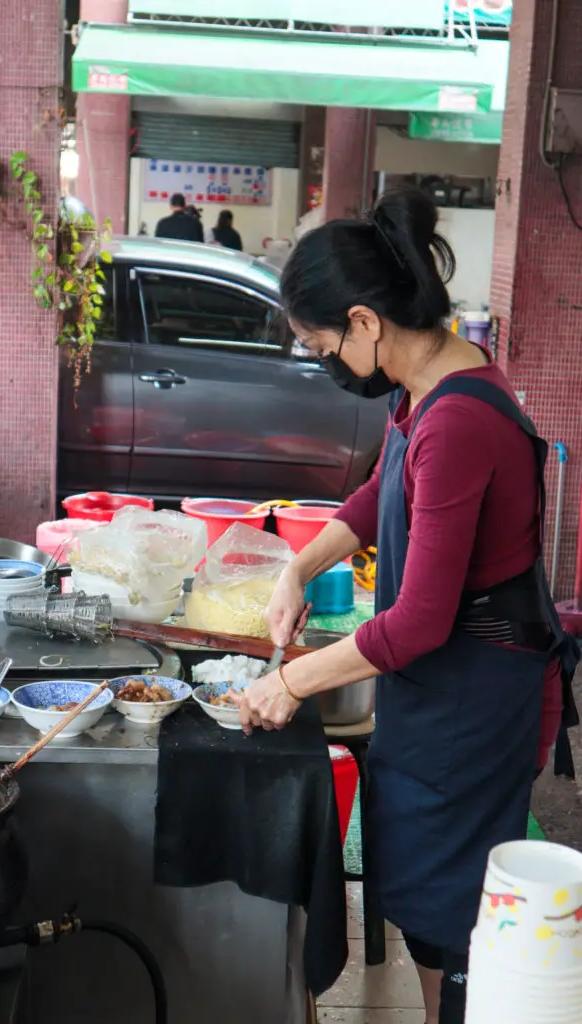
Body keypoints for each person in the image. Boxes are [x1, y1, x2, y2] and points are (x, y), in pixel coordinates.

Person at [236, 187, 579, 1024]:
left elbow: (421, 619)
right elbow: (375, 498)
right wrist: (294, 568)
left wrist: (293, 681)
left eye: (321, 344)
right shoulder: (418, 388)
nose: (322, 361)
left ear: (364, 321)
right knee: (423, 887)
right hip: (436, 687)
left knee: (451, 906)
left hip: (473, 694)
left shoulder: (460, 420)